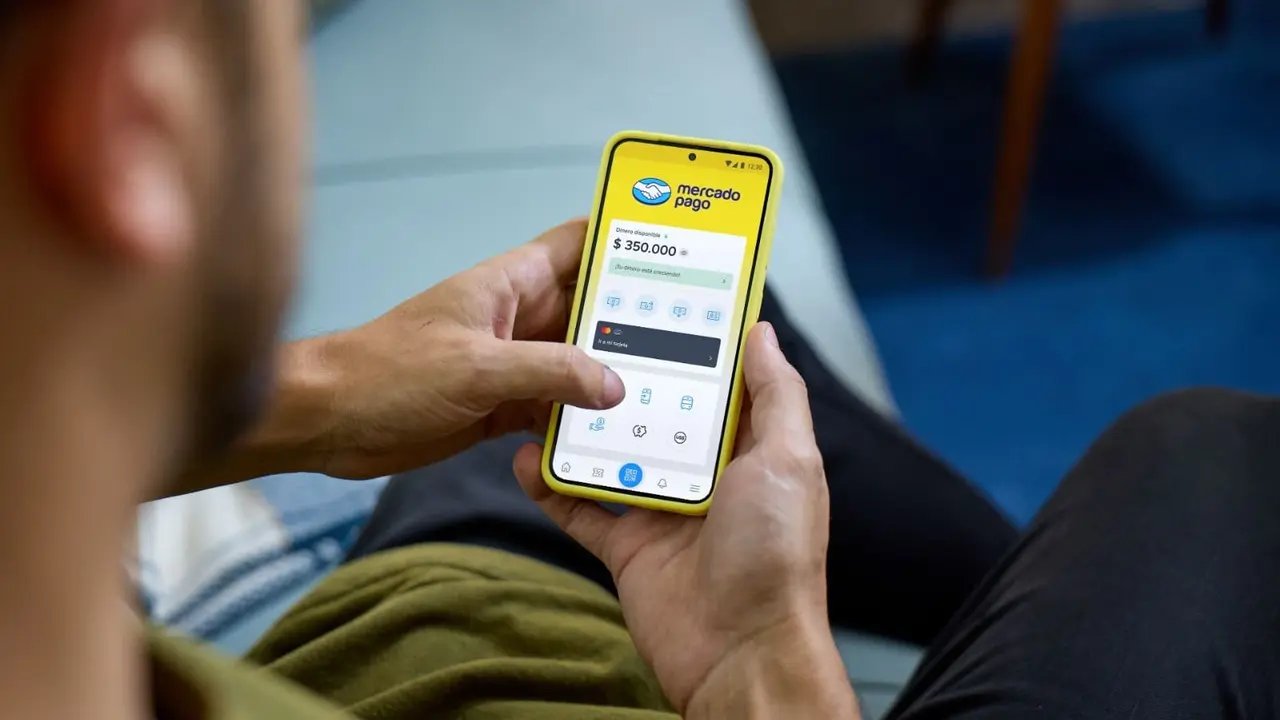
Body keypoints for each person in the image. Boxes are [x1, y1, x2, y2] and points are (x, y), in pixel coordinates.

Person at [4, 2, 1280, 719]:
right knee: (1206, 452)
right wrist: (761, 665)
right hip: (641, 658)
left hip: (408, 602)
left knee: (679, 324)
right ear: (132, 111)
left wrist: (333, 395)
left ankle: (1013, 600)